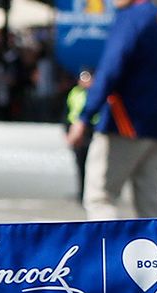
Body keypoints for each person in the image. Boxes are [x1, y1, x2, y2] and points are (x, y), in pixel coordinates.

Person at [66, 0, 157, 220]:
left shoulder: (131, 18)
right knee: (150, 205)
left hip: (125, 124)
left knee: (101, 197)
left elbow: (111, 68)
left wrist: (84, 116)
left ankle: (106, 253)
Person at [64, 68, 95, 201]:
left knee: (93, 165)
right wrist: (67, 131)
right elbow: (67, 113)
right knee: (80, 164)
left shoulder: (95, 93)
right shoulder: (74, 93)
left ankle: (90, 192)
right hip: (77, 131)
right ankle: (82, 192)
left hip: (91, 131)